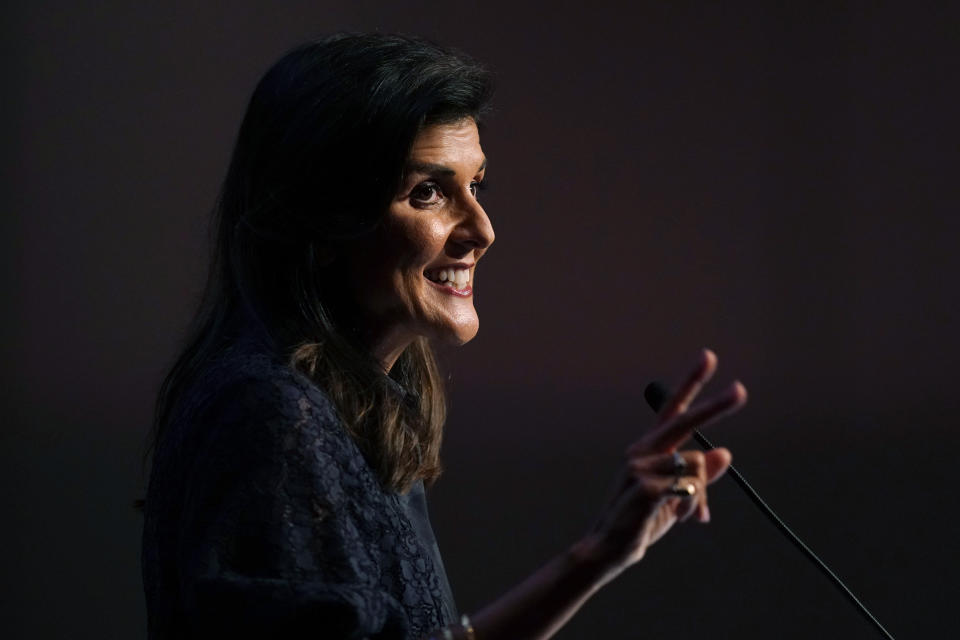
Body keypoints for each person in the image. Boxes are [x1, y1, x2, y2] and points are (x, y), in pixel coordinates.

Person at [140, 33, 747, 639]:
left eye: (475, 185)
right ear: (319, 222)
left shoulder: (352, 408)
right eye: (427, 192)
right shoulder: (271, 414)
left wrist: (600, 554)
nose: (481, 230)